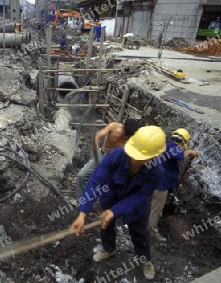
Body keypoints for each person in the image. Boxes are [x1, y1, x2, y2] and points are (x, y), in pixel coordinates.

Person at [70, 125, 167, 280]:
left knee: (140, 233)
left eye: (141, 157)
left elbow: (141, 196)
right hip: (111, 196)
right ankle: (109, 249)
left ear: (153, 156)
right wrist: (83, 212)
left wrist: (115, 211)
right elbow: (96, 181)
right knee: (106, 225)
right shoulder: (116, 155)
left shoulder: (156, 171)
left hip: (135, 206)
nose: (134, 159)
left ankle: (144, 259)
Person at [148, 128, 199, 242]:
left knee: (153, 205)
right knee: (156, 211)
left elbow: (170, 171)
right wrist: (190, 152)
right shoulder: (173, 147)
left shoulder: (167, 145)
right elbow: (179, 156)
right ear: (183, 141)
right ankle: (152, 232)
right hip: (160, 185)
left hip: (155, 180)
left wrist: (175, 185)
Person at [76, 119, 141, 200]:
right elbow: (98, 135)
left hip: (115, 161)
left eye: (128, 136)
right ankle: (81, 200)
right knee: (81, 175)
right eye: (125, 134)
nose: (125, 137)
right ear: (123, 128)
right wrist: (96, 151)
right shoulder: (114, 127)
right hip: (102, 155)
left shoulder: (132, 139)